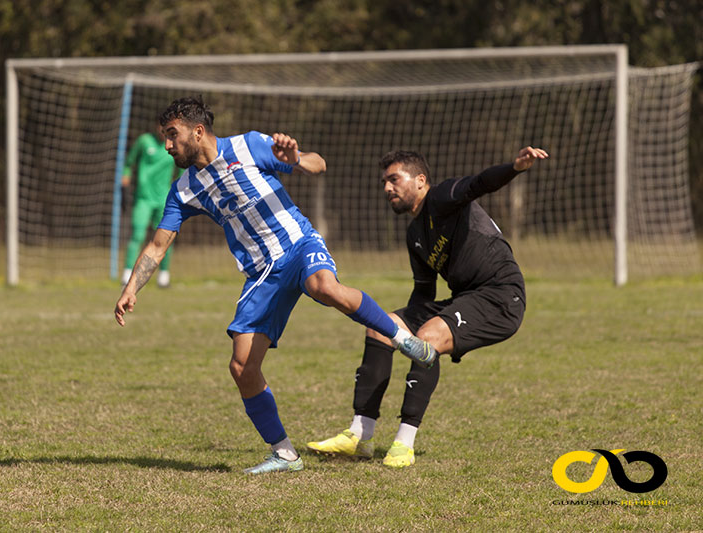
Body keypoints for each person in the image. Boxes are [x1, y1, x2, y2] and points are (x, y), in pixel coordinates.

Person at [114, 96, 437, 474]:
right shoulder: (184, 189)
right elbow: (157, 245)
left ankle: (403, 341)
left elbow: (319, 165)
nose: (167, 145)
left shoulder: (249, 145)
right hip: (262, 273)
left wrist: (295, 158)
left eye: (173, 135)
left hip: (298, 244)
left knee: (324, 287)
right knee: (241, 366)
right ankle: (285, 454)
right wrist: (132, 287)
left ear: (197, 131)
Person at [307, 146, 548, 467]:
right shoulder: (415, 234)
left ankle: (404, 444)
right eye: (384, 182)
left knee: (428, 337)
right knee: (381, 326)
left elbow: (480, 183)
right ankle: (360, 435)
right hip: (465, 297)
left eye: (394, 179)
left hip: (500, 297)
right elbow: (423, 293)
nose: (387, 188)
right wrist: (398, 330)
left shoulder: (443, 196)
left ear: (421, 180)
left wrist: (515, 168)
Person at [120, 123, 179, 288]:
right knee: (137, 235)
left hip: (164, 201)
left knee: (166, 238)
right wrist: (124, 183)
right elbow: (128, 163)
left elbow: (182, 171)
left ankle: (164, 276)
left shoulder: (174, 146)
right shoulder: (144, 141)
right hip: (143, 198)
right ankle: (127, 274)